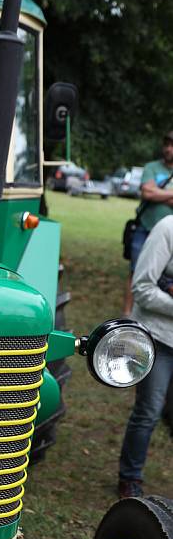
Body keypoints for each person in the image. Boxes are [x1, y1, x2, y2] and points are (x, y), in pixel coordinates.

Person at [118, 212, 173, 498]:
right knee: (148, 411)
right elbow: (142, 288)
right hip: (159, 337)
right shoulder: (167, 229)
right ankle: (129, 478)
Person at [123, 132, 173, 314]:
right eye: (166, 144)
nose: (168, 149)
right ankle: (127, 314)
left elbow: (152, 193)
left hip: (168, 237)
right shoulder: (152, 167)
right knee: (135, 271)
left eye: (172, 145)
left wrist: (157, 194)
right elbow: (147, 193)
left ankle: (148, 312)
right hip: (144, 228)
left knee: (163, 274)